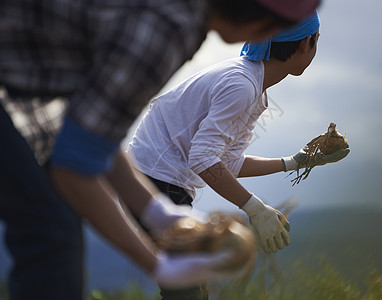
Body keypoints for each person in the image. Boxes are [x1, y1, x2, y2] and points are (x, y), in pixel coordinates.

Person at [0, 0, 322, 299]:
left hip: (139, 168)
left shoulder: (194, 28)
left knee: (52, 228)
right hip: (159, 177)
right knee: (53, 230)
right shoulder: (172, 31)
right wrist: (157, 262)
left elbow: (91, 133)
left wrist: (161, 213)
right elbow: (75, 163)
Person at [127, 11, 349, 300]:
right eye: (317, 40)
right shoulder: (242, 86)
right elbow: (204, 159)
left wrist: (293, 162)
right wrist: (255, 208)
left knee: (190, 288)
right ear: (306, 43)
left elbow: (224, 162)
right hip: (157, 181)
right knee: (186, 291)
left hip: (155, 178)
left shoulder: (250, 83)